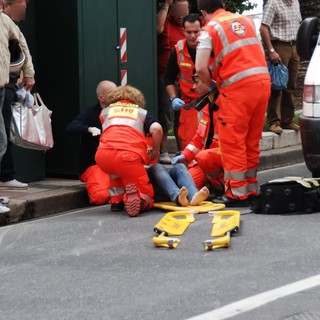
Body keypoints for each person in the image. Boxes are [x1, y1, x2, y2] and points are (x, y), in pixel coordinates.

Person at [195, 0, 271, 207]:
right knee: (251, 140)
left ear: (202, 12)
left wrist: (212, 86)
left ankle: (236, 193)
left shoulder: (209, 29)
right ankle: (251, 188)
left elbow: (200, 67)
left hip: (237, 89)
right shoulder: (246, 21)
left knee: (233, 141)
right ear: (223, 4)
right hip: (262, 83)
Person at [95, 85, 163, 217]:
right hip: (128, 155)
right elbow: (157, 129)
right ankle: (140, 198)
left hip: (103, 156)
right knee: (147, 193)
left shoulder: (105, 112)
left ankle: (116, 202)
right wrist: (156, 149)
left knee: (115, 173)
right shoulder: (141, 113)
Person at [0, 7, 34, 213]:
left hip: (1, 87)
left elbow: (20, 42)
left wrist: (28, 71)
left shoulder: (4, 20)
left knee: (1, 141)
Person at [172, 72, 224, 197]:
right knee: (185, 186)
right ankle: (210, 184)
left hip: (225, 158)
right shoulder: (205, 107)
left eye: (197, 82)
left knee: (203, 157)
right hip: (207, 160)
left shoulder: (226, 104)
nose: (194, 87)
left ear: (210, 83)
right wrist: (185, 155)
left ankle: (220, 186)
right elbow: (199, 138)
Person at [66, 80, 116, 205]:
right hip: (95, 164)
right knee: (100, 196)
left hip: (116, 162)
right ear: (101, 98)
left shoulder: (119, 112)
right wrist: (88, 129)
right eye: (112, 93)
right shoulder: (90, 114)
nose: (116, 96)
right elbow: (71, 127)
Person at [260, 0, 301, 134]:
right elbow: (263, 28)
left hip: (294, 46)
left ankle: (287, 121)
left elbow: (299, 24)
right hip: (279, 46)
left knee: (290, 86)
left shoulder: (295, 2)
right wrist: (271, 50)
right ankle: (273, 122)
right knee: (277, 86)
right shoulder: (273, 3)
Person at [165, 13, 204, 150]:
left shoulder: (211, 47)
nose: (193, 36)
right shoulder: (178, 51)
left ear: (202, 29)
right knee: (188, 142)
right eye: (189, 32)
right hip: (189, 104)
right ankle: (191, 170)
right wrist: (173, 98)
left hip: (209, 101)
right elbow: (168, 79)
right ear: (183, 31)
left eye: (196, 32)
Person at [157, 0, 189, 163]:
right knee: (166, 115)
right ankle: (163, 151)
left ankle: (181, 150)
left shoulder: (188, 26)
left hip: (184, 77)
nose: (182, 16)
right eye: (179, 12)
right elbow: (158, 29)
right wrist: (166, 5)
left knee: (181, 117)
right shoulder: (166, 21)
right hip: (166, 76)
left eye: (185, 11)